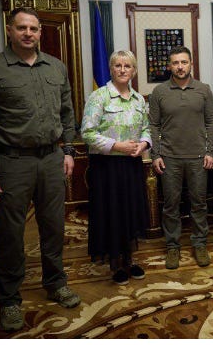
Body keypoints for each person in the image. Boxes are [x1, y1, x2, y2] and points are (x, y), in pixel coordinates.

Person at [0, 7, 81, 332]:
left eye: (34, 28)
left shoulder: (56, 67)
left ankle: (56, 283)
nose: (28, 33)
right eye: (22, 28)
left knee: (54, 226)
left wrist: (68, 149)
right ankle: (9, 298)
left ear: (40, 32)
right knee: (11, 233)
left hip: (51, 158)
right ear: (10, 30)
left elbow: (67, 111)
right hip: (11, 162)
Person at [81, 50, 151, 285]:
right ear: (111, 69)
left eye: (127, 66)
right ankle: (115, 262)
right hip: (106, 166)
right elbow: (87, 133)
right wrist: (117, 145)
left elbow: (146, 128)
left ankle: (129, 258)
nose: (122, 70)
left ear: (134, 70)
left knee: (130, 209)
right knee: (111, 211)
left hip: (132, 164)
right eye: (118, 65)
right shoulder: (99, 97)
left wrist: (144, 144)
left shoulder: (139, 99)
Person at [149, 46, 213, 269]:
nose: (180, 67)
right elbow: (154, 125)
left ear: (191, 64)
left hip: (198, 157)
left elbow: (211, 121)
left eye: (184, 62)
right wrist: (156, 154)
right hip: (169, 158)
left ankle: (199, 243)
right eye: (176, 63)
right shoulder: (159, 92)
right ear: (170, 66)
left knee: (199, 203)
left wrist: (209, 151)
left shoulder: (204, 90)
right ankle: (172, 246)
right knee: (171, 205)